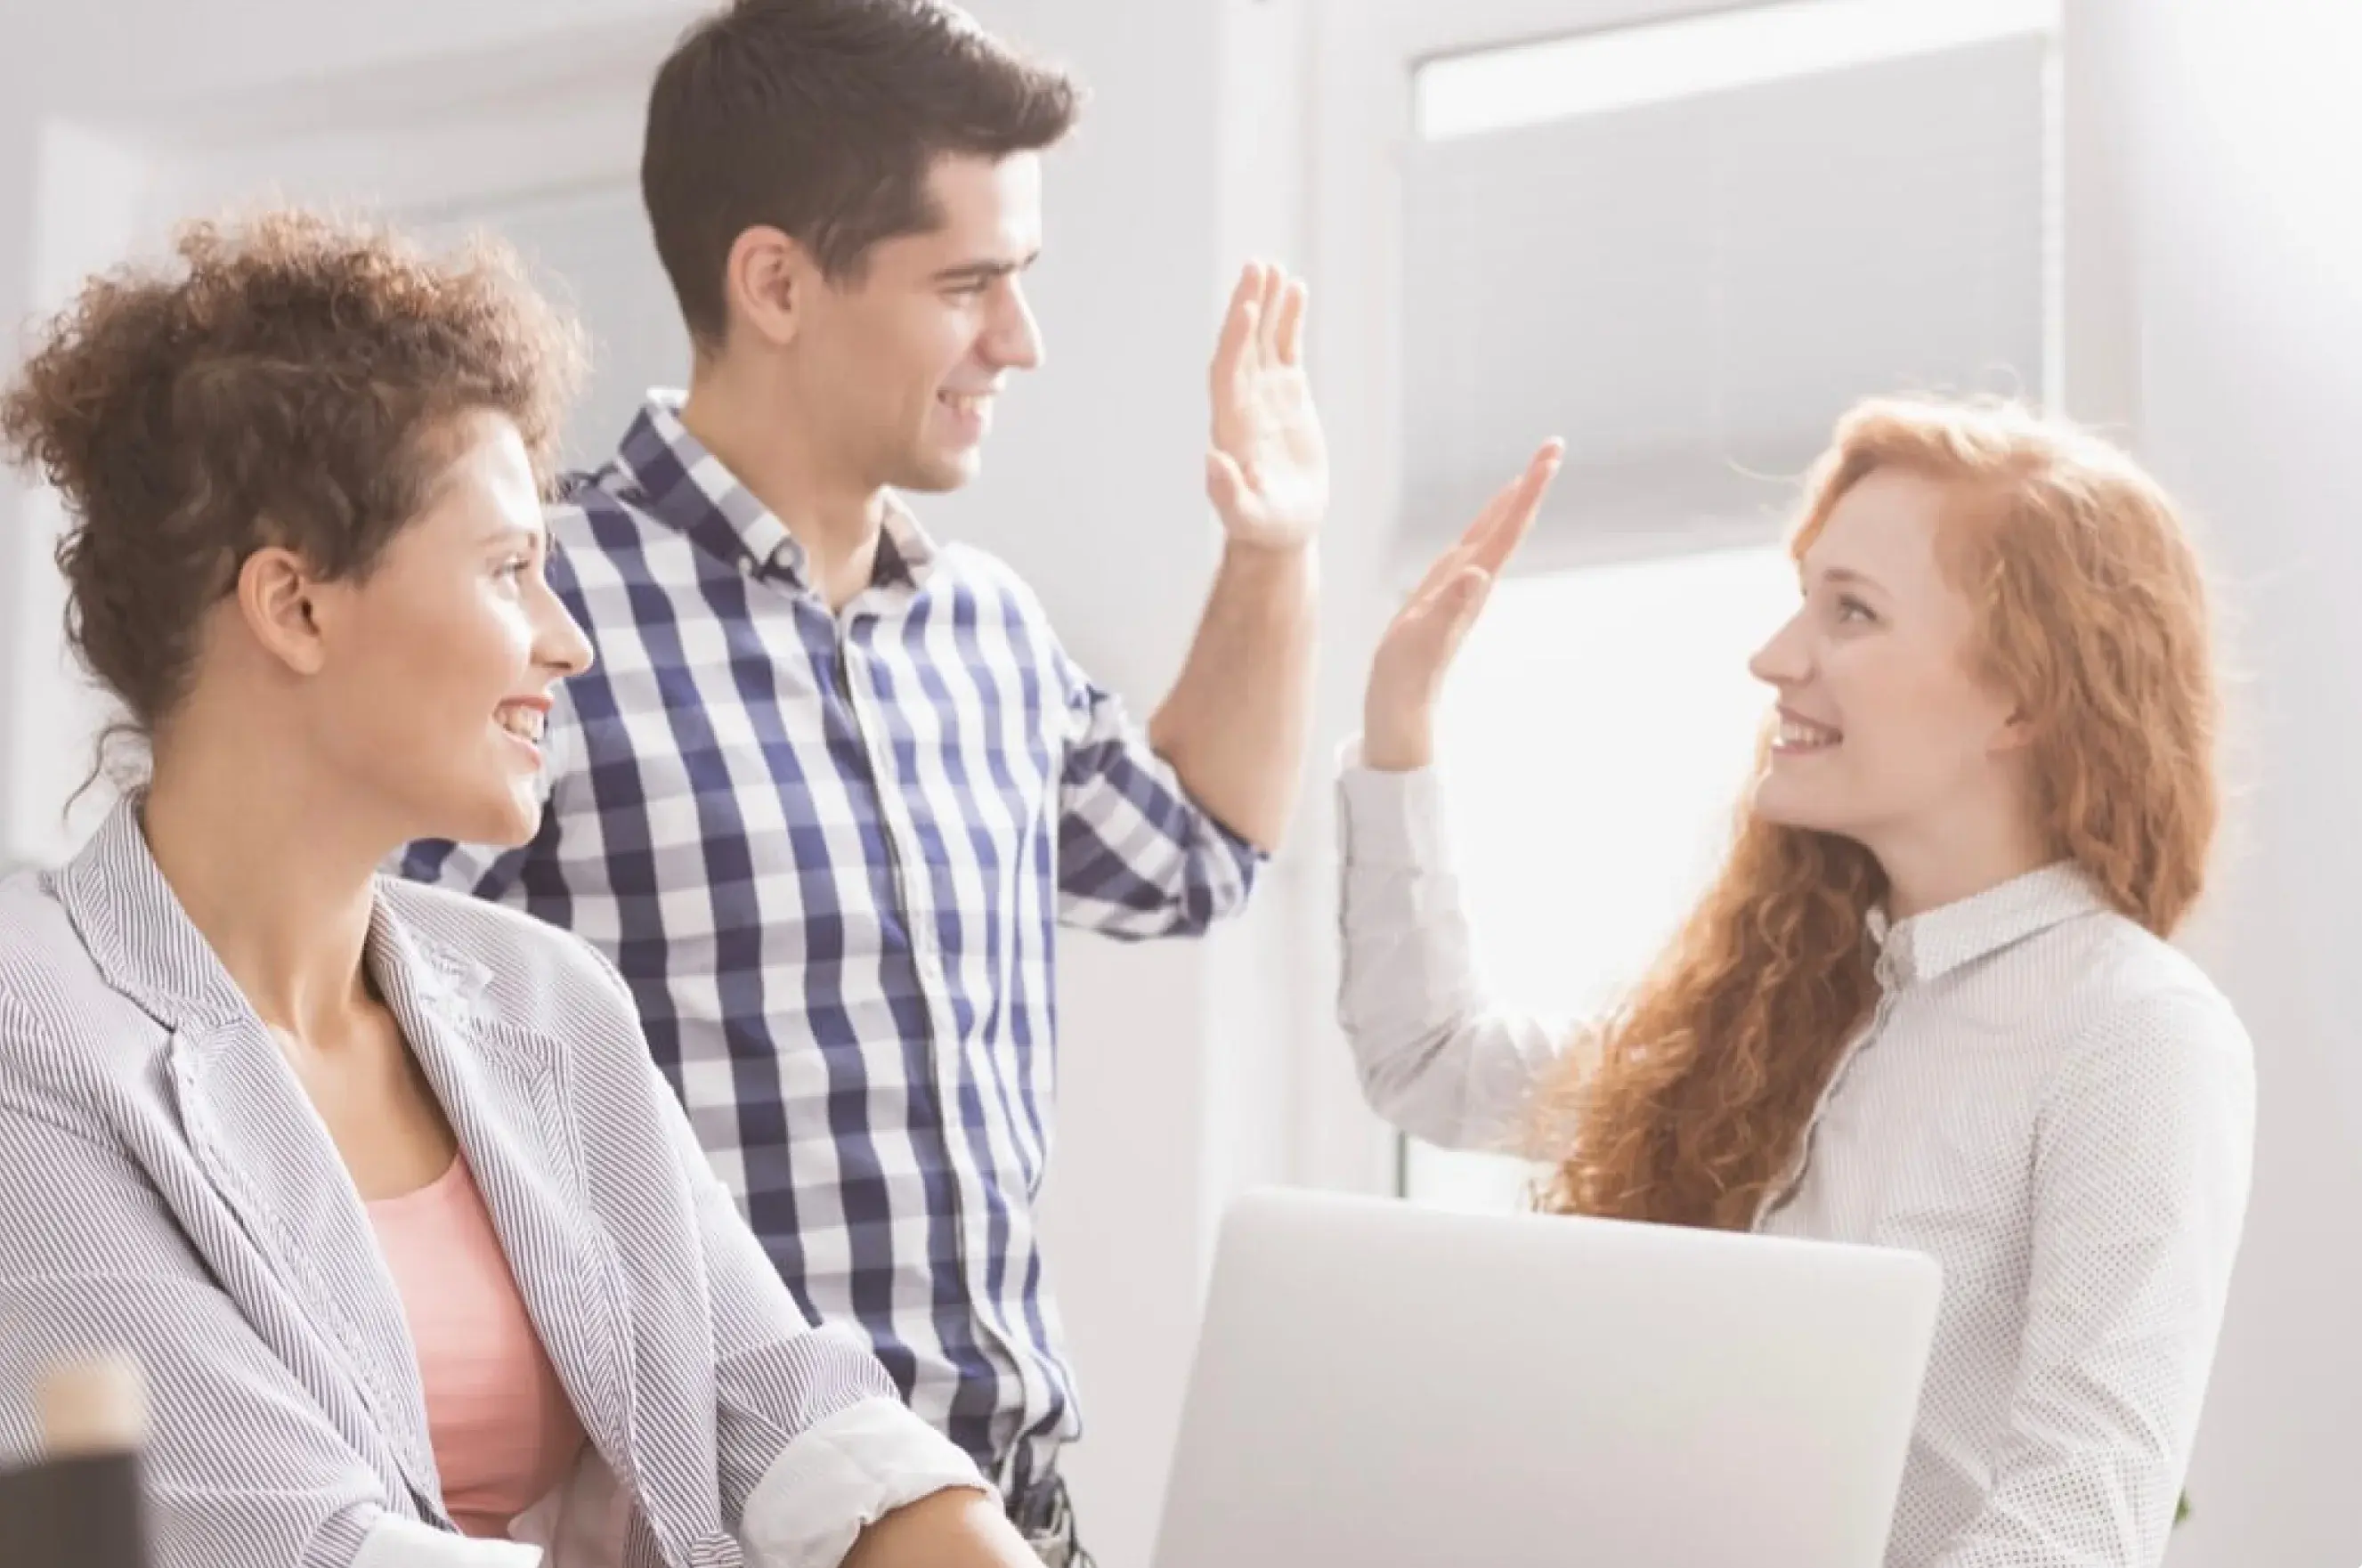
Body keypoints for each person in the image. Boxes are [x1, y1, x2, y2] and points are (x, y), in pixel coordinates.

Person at [400, 3, 1327, 1555]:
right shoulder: (536, 608)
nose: (1018, 341)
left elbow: (1193, 854)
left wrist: (1277, 548)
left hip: (1016, 1517)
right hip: (726, 1524)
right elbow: (329, 1011)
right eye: (967, 286)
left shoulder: (987, 631)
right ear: (775, 281)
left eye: (1017, 283)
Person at [0, 211, 1046, 1568]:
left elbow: (791, 1413)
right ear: (295, 606)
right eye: (509, 572)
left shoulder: (541, 993)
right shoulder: (35, 1034)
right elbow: (309, 1548)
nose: (568, 642)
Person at [1339, 399, 2254, 1567]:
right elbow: (1430, 1064)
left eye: (1852, 612)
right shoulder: (1778, 1002)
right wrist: (1398, 728)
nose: (1775, 658)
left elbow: (2085, 1516)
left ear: (2025, 697)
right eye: (1803, 598)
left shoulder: (2134, 1035)